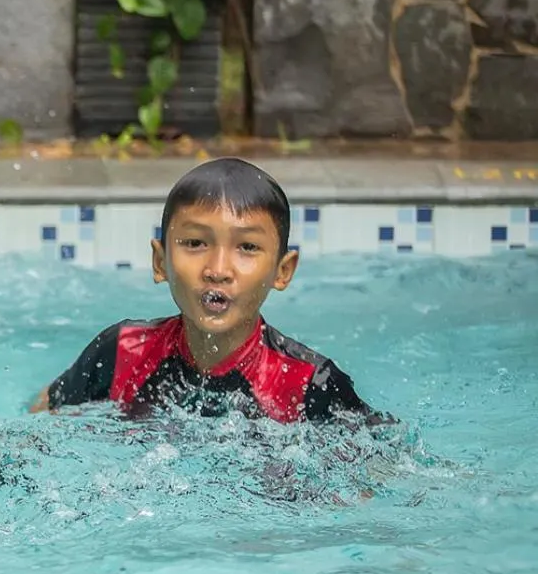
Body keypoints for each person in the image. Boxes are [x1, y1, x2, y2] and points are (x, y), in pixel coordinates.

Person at [30, 157, 383, 425]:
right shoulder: (123, 350)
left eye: (247, 247)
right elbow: (45, 414)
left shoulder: (309, 382)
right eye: (196, 243)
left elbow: (378, 474)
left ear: (282, 270)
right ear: (160, 262)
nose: (217, 270)